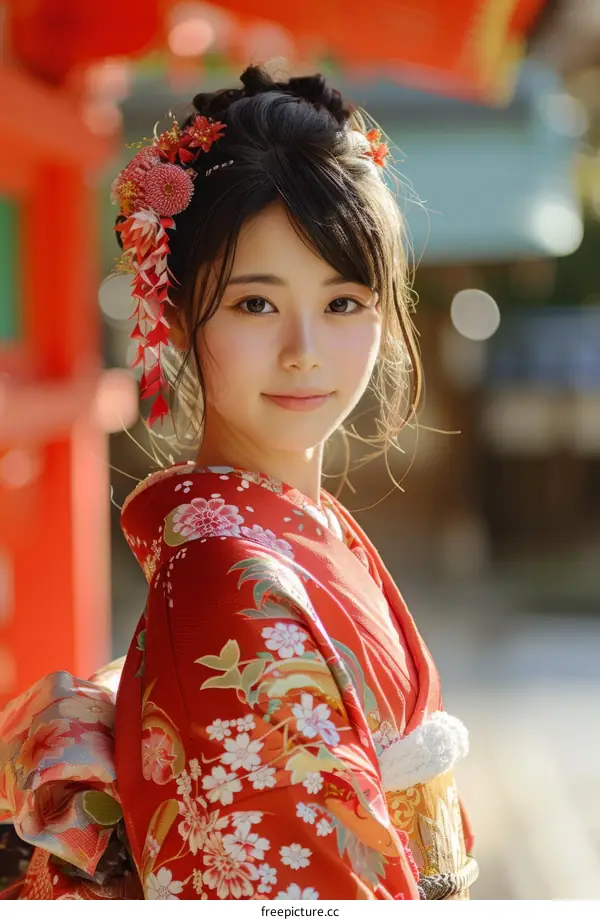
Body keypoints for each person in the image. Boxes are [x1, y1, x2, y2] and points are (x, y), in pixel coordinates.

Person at [0, 65, 478, 900]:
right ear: (177, 311)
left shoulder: (297, 531)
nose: (304, 349)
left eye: (343, 302)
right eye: (256, 304)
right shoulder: (230, 580)